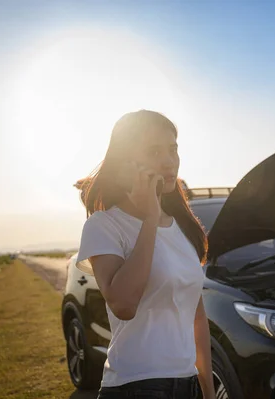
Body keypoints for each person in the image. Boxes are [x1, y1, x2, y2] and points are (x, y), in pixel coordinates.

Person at [75, 110, 215, 399]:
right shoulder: (104, 225)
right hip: (135, 386)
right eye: (154, 151)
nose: (168, 161)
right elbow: (124, 304)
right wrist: (150, 217)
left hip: (187, 384)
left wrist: (208, 390)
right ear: (126, 162)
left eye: (173, 150)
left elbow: (197, 318)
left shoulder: (182, 228)